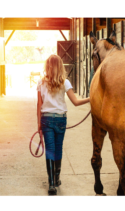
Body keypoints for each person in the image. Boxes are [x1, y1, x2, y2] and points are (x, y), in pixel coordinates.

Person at [37, 54, 90, 195]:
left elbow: (39, 106)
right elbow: (76, 102)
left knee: (50, 149)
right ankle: (57, 177)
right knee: (58, 149)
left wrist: (39, 125)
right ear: (60, 66)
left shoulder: (41, 83)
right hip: (60, 119)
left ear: (47, 66)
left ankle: (51, 184)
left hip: (46, 119)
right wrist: (91, 98)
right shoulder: (65, 82)